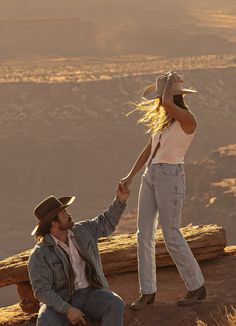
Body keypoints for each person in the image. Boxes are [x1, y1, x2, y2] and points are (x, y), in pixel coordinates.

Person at [120, 70, 206, 310]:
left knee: (171, 234)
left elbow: (168, 103)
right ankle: (147, 292)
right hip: (151, 175)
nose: (159, 101)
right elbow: (149, 149)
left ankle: (196, 286)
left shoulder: (188, 119)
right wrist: (130, 176)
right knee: (143, 235)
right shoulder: (163, 123)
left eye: (161, 96)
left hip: (171, 176)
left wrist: (167, 83)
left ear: (171, 95)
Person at [28, 182, 130, 326]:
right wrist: (67, 309)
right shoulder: (40, 254)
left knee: (115, 303)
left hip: (91, 294)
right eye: (63, 213)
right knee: (45, 321)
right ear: (53, 223)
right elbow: (42, 291)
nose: (69, 215)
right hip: (62, 300)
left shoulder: (83, 231)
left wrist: (120, 200)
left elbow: (105, 222)